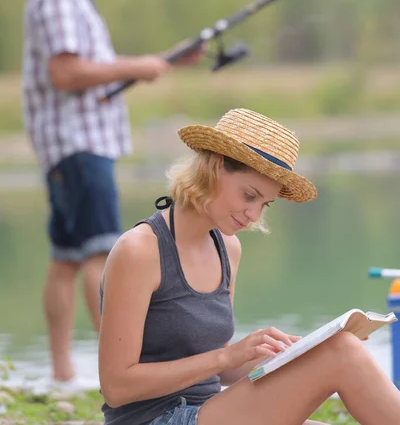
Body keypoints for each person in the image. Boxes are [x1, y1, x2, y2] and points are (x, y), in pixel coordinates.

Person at [98, 107, 400, 425]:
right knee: (343, 352)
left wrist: (286, 353)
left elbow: (223, 369)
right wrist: (226, 355)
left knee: (337, 347)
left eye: (264, 204)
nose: (254, 215)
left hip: (210, 411)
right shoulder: (139, 250)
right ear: (214, 168)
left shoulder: (228, 247)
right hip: (153, 420)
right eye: (249, 195)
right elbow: (117, 388)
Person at [22, 0, 203, 388]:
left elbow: (86, 68)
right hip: (79, 144)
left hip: (69, 145)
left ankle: (62, 375)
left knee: (66, 256)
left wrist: (159, 63)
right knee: (102, 254)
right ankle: (122, 375)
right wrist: (134, 67)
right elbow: (66, 72)